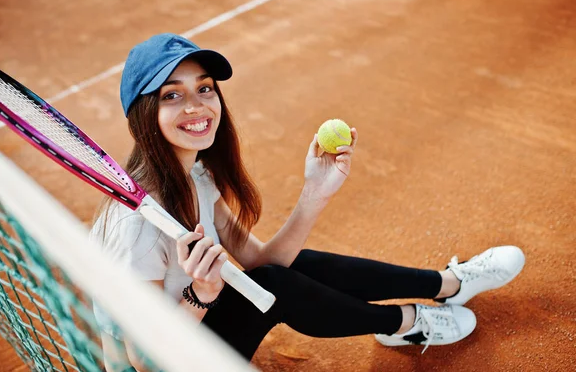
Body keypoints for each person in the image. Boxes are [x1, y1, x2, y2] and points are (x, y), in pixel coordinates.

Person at [90, 33, 526, 371]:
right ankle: (408, 324)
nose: (197, 105)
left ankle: (448, 284)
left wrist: (315, 192)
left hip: (194, 330)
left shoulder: (196, 174)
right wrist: (200, 294)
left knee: (287, 271)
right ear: (145, 114)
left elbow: (266, 259)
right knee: (274, 287)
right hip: (173, 358)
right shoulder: (138, 224)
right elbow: (143, 360)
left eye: (204, 88)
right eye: (172, 95)